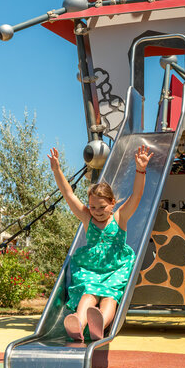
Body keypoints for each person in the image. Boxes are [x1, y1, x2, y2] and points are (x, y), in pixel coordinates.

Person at [49, 143, 151, 342]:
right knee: (88, 295)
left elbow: (137, 195)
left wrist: (141, 170)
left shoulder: (120, 217)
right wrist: (57, 170)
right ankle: (78, 322)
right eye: (92, 206)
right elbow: (68, 194)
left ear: (113, 203)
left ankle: (100, 324)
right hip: (91, 269)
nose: (96, 210)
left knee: (109, 298)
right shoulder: (87, 219)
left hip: (115, 268)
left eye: (102, 207)